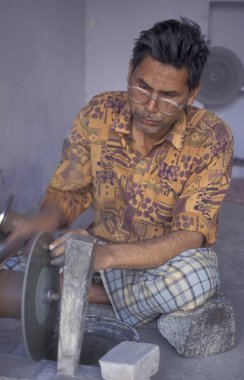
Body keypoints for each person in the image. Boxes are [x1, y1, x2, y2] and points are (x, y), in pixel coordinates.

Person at [6, 17, 233, 327]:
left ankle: (83, 291)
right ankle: (105, 290)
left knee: (197, 278)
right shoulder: (99, 112)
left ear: (192, 94)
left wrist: (107, 256)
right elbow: (68, 193)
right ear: (130, 73)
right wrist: (43, 221)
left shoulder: (211, 136)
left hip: (162, 262)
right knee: (18, 252)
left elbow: (190, 234)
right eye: (142, 87)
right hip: (96, 247)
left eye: (168, 96)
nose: (151, 106)